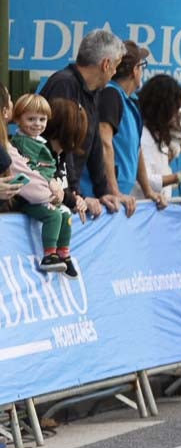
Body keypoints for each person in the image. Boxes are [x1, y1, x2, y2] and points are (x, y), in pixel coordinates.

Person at [38, 28, 125, 219]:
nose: (115, 72)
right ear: (106, 64)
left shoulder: (94, 93)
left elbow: (94, 144)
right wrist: (76, 196)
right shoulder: (64, 84)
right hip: (51, 194)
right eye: (116, 66)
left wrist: (103, 192)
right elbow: (61, 145)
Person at [88, 41, 165, 212]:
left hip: (118, 196)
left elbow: (136, 150)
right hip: (102, 198)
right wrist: (114, 191)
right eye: (141, 66)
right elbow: (104, 143)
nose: (142, 72)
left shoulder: (130, 101)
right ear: (134, 70)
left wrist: (148, 191)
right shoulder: (110, 94)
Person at [7, 93, 78, 274]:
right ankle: (49, 256)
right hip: (26, 198)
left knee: (65, 212)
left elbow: (47, 170)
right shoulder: (20, 143)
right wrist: (49, 183)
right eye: (31, 119)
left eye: (42, 119)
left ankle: (63, 253)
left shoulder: (39, 142)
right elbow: (31, 173)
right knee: (54, 215)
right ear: (17, 119)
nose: (37, 124)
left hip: (44, 194)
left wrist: (52, 183)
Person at [137, 73, 181, 202]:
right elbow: (146, 181)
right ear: (162, 108)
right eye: (175, 109)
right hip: (143, 211)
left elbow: (158, 171)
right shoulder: (143, 137)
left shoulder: (157, 135)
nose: (177, 115)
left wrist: (169, 157)